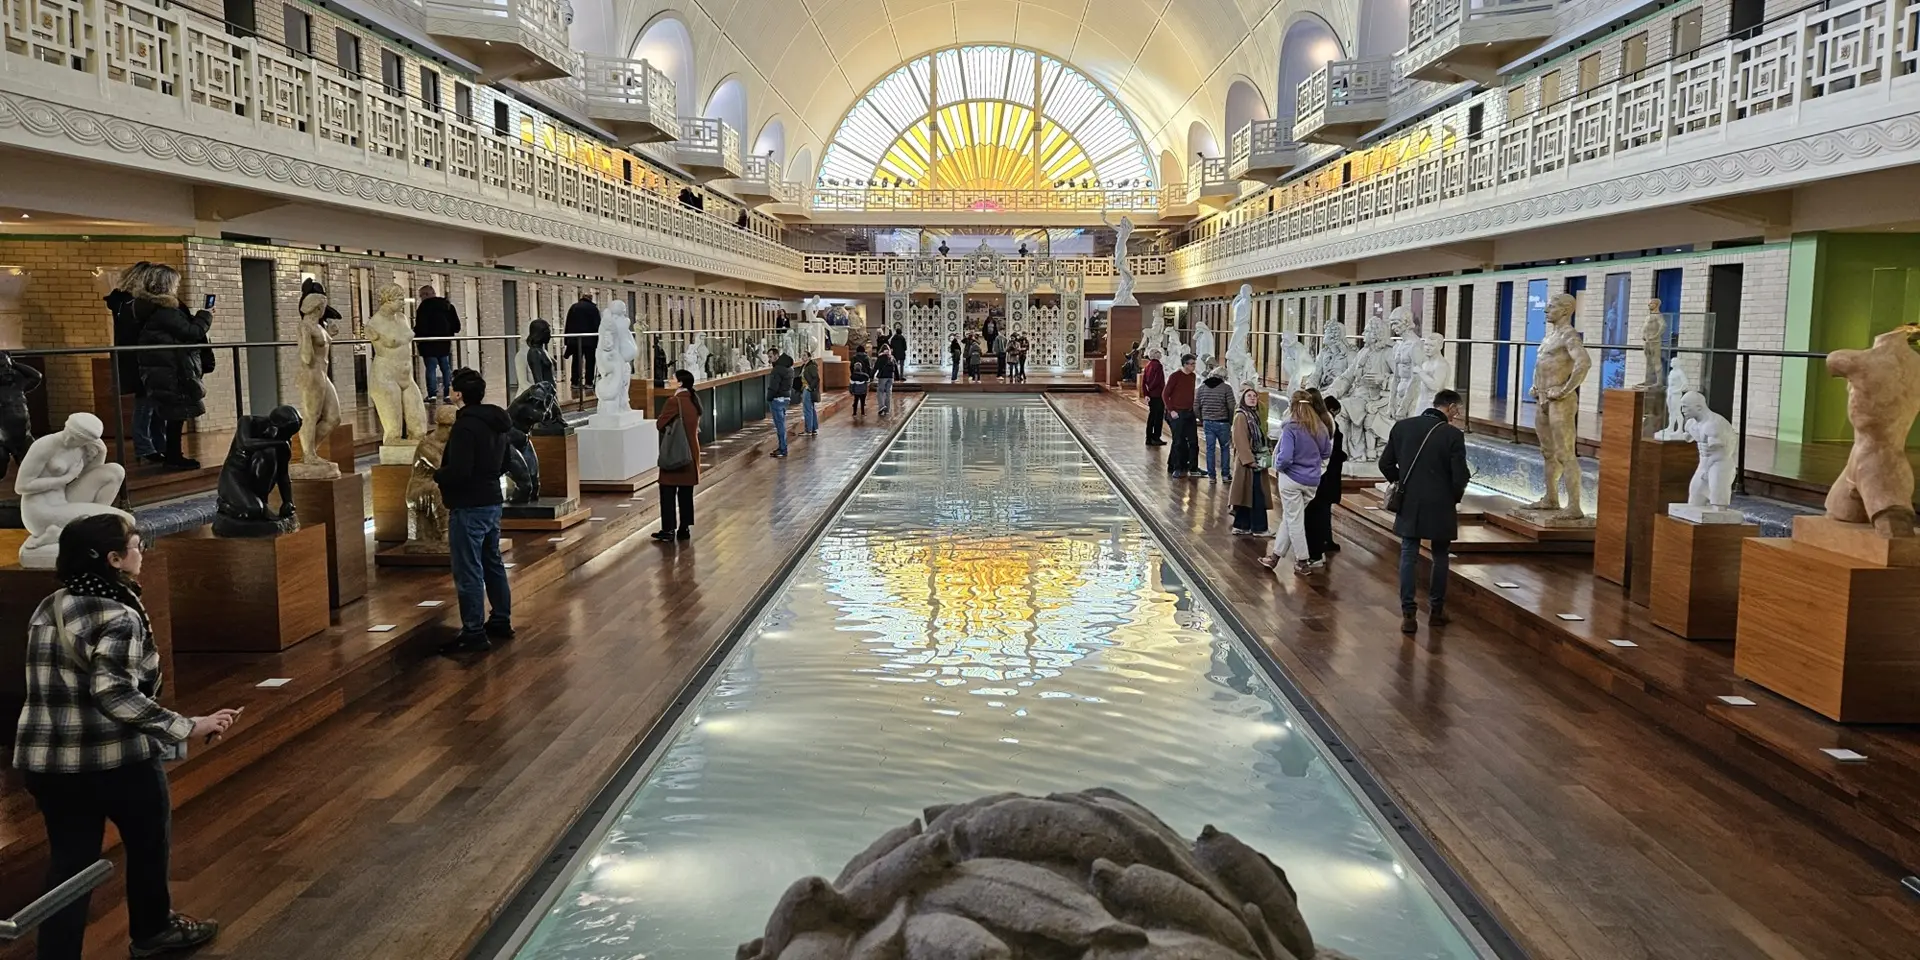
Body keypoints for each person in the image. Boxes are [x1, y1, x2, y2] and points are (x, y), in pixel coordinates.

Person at [15, 513, 237, 960]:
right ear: (113, 559)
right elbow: (113, 693)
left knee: (71, 866)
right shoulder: (119, 615)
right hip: (115, 761)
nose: (142, 553)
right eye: (136, 546)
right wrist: (188, 726)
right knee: (148, 842)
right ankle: (153, 931)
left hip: (48, 764)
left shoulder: (50, 605)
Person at [431, 368, 513, 652]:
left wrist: (438, 475)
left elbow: (460, 470)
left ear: (458, 394)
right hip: (491, 500)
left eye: (451, 388)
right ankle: (500, 619)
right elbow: (505, 462)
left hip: (468, 505)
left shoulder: (465, 427)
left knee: (468, 569)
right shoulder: (496, 422)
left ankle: (474, 632)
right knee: (492, 563)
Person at [1380, 388, 1470, 633]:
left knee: (1408, 553)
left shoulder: (1403, 427)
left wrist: (1401, 483)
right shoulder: (1452, 435)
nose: (1457, 414)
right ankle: (1436, 611)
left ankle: (1408, 613)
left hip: (1410, 501)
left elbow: (1385, 463)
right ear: (1450, 407)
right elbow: (1460, 476)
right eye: (1457, 410)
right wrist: (1453, 497)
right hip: (1441, 503)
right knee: (1440, 555)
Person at [132, 265, 214, 472]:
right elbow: (191, 332)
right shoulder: (165, 311)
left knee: (173, 414)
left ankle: (172, 455)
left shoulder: (148, 308)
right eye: (175, 283)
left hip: (163, 367)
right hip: (171, 369)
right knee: (177, 414)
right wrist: (206, 315)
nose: (177, 287)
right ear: (166, 285)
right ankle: (174, 457)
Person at [1260, 390, 1333, 575]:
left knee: (1294, 521)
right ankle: (1274, 557)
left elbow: (1285, 457)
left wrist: (1277, 465)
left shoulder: (1291, 427)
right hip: (1312, 480)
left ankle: (1302, 561)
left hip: (1291, 479)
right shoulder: (1320, 426)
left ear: (1292, 405)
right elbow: (1326, 453)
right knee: (1291, 518)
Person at [107, 263, 164, 463]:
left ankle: (154, 446)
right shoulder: (133, 304)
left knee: (150, 404)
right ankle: (146, 447)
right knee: (146, 405)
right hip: (140, 358)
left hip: (133, 357)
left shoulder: (121, 302)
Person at [654, 369, 702, 541]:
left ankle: (668, 529)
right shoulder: (694, 399)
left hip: (676, 451)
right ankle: (684, 528)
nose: (670, 380)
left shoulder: (674, 401)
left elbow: (660, 424)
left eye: (673, 378)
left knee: (667, 491)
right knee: (686, 493)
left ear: (680, 383)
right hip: (691, 452)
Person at [1305, 393, 1349, 563]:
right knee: (1322, 509)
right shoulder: (1328, 425)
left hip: (1319, 474)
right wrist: (1342, 456)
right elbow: (1332, 452)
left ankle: (1322, 541)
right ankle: (1322, 542)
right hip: (1327, 475)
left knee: (1319, 509)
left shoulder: (1316, 423)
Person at [1229, 386, 1272, 536]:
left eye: (1254, 396)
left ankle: (1242, 525)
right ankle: (1259, 527)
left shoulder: (1254, 415)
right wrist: (1249, 460)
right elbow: (1240, 439)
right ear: (1243, 399)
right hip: (1248, 463)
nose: (1252, 398)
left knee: (1247, 494)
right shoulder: (1241, 416)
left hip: (1255, 460)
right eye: (1249, 396)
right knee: (1256, 494)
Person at [413, 285, 461, 404]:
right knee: (446, 368)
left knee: (431, 368)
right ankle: (447, 394)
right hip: (444, 343)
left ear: (426, 294)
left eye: (421, 296)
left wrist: (417, 337)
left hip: (428, 343)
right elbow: (457, 326)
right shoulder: (448, 306)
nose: (420, 298)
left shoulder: (424, 307)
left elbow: (421, 326)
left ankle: (432, 395)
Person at [1195, 367, 1236, 483]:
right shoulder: (1226, 388)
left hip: (1208, 422)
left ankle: (1212, 476)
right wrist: (1231, 420)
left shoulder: (1202, 388)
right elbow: (1231, 406)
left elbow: (1195, 406)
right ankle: (1225, 475)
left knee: (1210, 449)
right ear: (1224, 377)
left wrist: (1202, 419)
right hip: (1223, 422)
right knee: (1225, 449)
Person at [1164, 354, 1198, 478]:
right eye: (1191, 364)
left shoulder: (1193, 376)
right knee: (1178, 441)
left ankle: (1193, 467)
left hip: (1189, 412)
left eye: (1194, 364)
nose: (1194, 366)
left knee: (1193, 441)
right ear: (1185, 364)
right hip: (1177, 412)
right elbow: (1165, 394)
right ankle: (1176, 467)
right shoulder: (1175, 376)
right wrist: (1171, 410)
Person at [563, 294, 600, 393]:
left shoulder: (574, 307)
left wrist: (567, 340)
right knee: (590, 361)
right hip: (590, 340)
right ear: (590, 299)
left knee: (576, 361)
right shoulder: (593, 309)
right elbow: (597, 325)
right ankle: (589, 382)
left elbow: (568, 324)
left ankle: (575, 382)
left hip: (575, 340)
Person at [767, 353, 795, 457]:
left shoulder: (777, 370)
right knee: (782, 423)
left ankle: (782, 449)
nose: (770, 359)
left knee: (779, 425)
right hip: (786, 398)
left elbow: (774, 386)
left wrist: (769, 397)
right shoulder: (790, 369)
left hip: (777, 399)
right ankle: (782, 447)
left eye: (771, 356)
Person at [1142, 349, 1166, 446]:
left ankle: (1148, 437)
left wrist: (1146, 393)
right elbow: (1158, 380)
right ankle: (1156, 437)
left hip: (1151, 394)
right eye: (1159, 353)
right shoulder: (1158, 365)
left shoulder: (1148, 365)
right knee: (1158, 417)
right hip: (1158, 394)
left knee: (1152, 416)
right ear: (1156, 355)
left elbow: (1144, 381)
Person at [801, 357, 821, 437]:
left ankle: (808, 430)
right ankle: (813, 429)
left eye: (805, 355)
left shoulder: (811, 366)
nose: (803, 357)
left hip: (808, 390)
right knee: (811, 409)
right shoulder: (805, 366)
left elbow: (816, 378)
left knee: (807, 409)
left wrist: (810, 387)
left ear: (809, 357)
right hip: (807, 389)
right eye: (802, 355)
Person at [875, 348, 898, 417]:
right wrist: (897, 377)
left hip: (882, 377)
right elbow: (896, 367)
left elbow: (876, 367)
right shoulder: (892, 357)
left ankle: (882, 406)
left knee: (880, 391)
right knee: (888, 393)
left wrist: (871, 375)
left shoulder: (880, 358)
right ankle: (887, 410)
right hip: (890, 377)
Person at [849, 350, 872, 416]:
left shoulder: (853, 376)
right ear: (861, 368)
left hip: (856, 391)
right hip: (863, 391)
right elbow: (867, 382)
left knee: (855, 401)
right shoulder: (865, 376)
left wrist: (851, 391)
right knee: (862, 402)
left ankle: (854, 413)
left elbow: (851, 384)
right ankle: (862, 413)